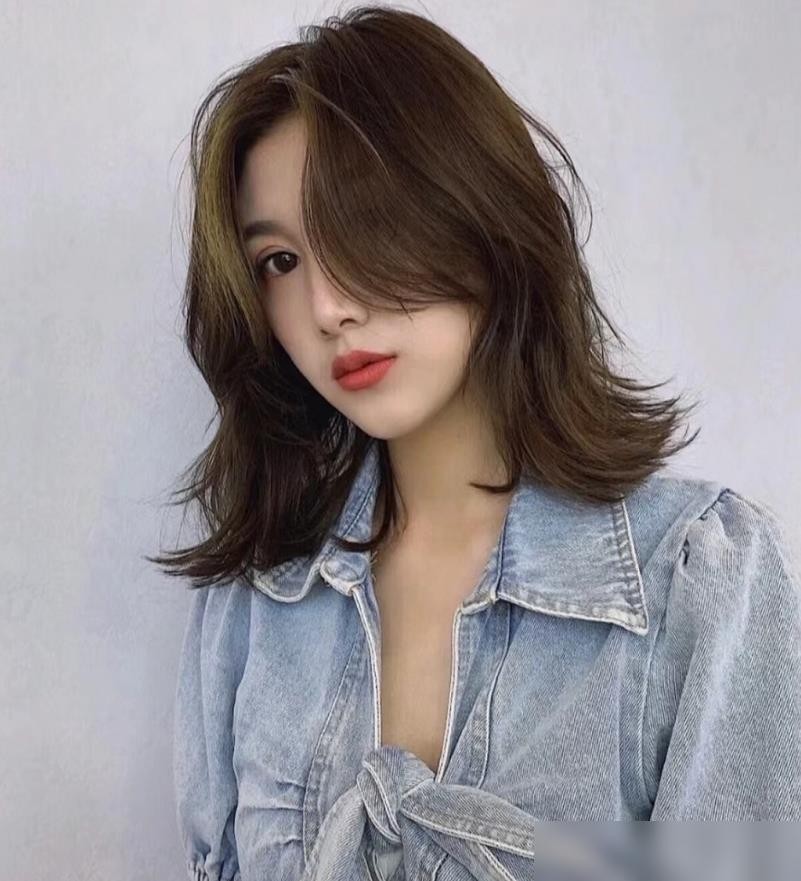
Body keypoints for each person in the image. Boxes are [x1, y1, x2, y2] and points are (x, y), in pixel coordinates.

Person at [148, 5, 801, 880]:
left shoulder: (696, 579)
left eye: (362, 225)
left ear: (479, 213)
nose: (327, 307)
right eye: (281, 261)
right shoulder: (256, 595)